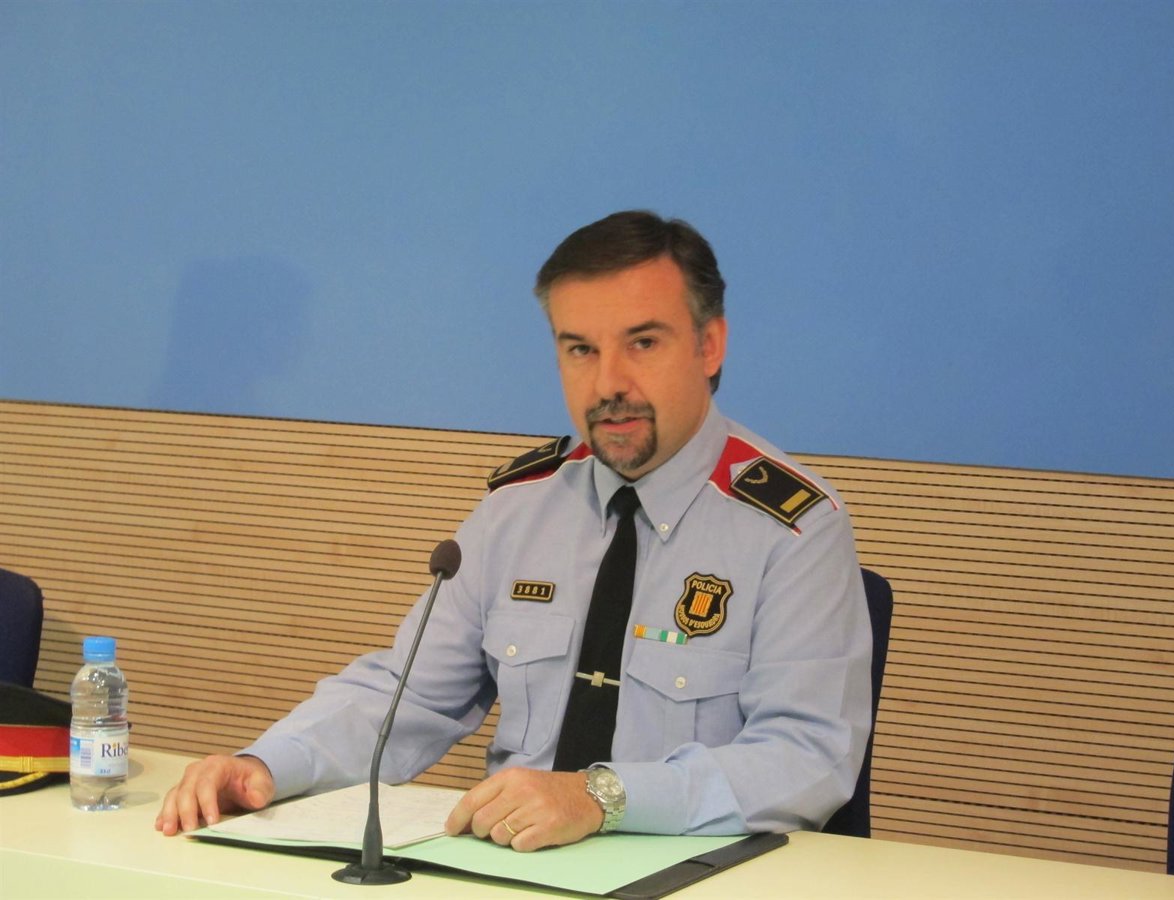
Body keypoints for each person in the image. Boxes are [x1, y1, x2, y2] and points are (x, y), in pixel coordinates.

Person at [156, 210, 873, 852]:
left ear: (709, 346)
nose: (608, 384)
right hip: (514, 867)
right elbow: (407, 693)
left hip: (698, 877)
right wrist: (264, 765)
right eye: (580, 349)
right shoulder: (519, 508)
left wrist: (600, 797)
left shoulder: (792, 527)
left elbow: (807, 756)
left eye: (642, 343)